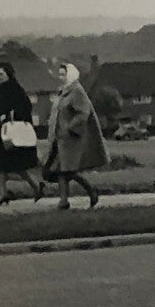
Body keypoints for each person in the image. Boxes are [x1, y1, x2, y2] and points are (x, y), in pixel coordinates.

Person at [43, 62, 106, 209]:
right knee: (60, 170)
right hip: (59, 138)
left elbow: (84, 112)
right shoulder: (63, 91)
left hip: (71, 139)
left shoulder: (77, 91)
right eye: (59, 74)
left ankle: (81, 194)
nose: (60, 77)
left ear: (70, 75)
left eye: (63, 74)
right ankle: (68, 199)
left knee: (67, 171)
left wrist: (70, 127)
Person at [0, 60, 44, 205]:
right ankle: (30, 188)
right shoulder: (1, 90)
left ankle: (9, 192)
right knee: (7, 164)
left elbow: (24, 106)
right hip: (3, 132)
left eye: (0, 74)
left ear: (8, 74)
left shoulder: (14, 89)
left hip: (11, 133)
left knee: (5, 164)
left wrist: (11, 116)